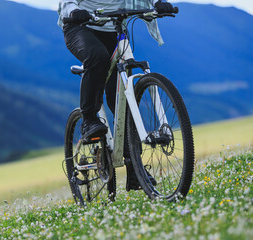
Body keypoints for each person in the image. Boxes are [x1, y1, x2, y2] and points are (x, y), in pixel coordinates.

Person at [58, 0, 175, 191]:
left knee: (122, 99)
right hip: (80, 27)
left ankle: (135, 170)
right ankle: (88, 119)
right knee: (97, 57)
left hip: (114, 27)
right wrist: (74, 11)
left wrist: (158, 3)